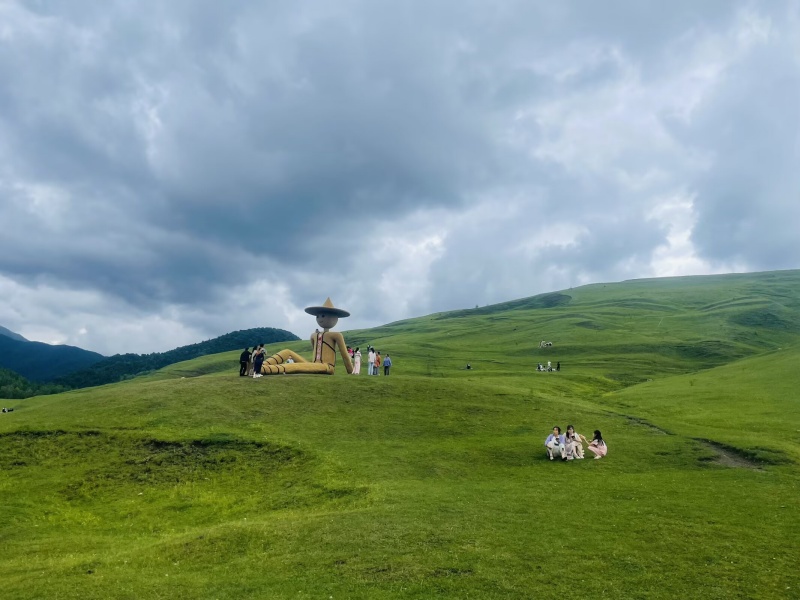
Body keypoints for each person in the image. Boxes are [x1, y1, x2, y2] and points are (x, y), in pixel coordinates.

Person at [257, 298, 354, 375]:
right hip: (314, 364)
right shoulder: (313, 335)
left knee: (296, 367)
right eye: (318, 316)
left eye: (323, 316)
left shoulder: (336, 335)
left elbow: (344, 354)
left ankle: (264, 370)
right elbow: (314, 350)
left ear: (335, 318)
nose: (320, 318)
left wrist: (351, 371)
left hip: (327, 366)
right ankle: (260, 366)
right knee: (287, 352)